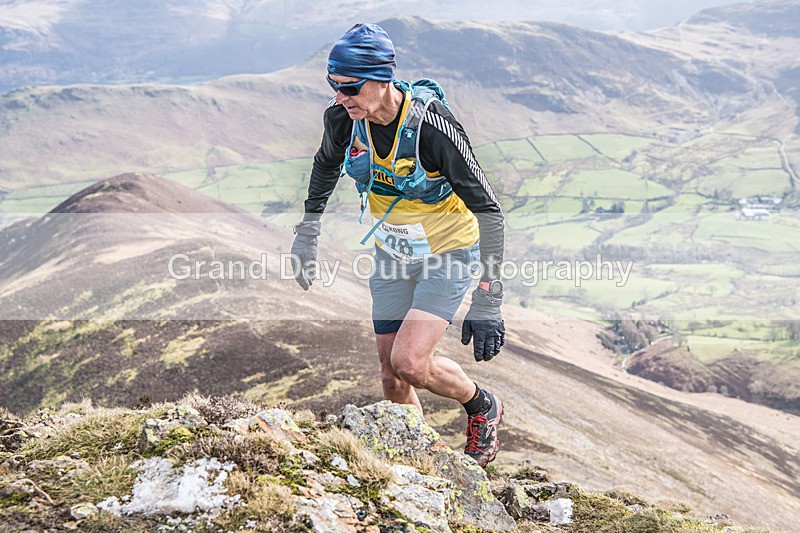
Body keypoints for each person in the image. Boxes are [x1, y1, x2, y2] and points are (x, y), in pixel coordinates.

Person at [290, 23, 506, 467]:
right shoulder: (343, 121)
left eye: (349, 87)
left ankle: (482, 405)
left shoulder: (433, 129)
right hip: (393, 255)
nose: (340, 97)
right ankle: (425, 468)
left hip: (448, 252)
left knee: (410, 361)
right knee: (392, 378)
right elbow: (324, 167)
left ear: (382, 79)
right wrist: (307, 232)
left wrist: (489, 297)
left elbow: (489, 210)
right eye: (333, 85)